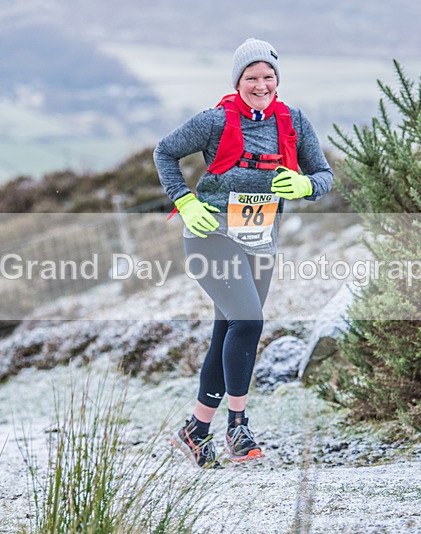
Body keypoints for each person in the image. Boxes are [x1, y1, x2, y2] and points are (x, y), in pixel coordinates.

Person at [154, 38, 333, 468]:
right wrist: (185, 201)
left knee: (230, 329)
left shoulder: (294, 122)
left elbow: (324, 175)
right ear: (238, 81)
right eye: (251, 77)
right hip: (211, 234)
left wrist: (306, 185)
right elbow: (165, 152)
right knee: (249, 321)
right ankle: (238, 426)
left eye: (268, 76)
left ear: (277, 80)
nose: (261, 85)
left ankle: (195, 430)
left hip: (260, 240)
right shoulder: (214, 121)